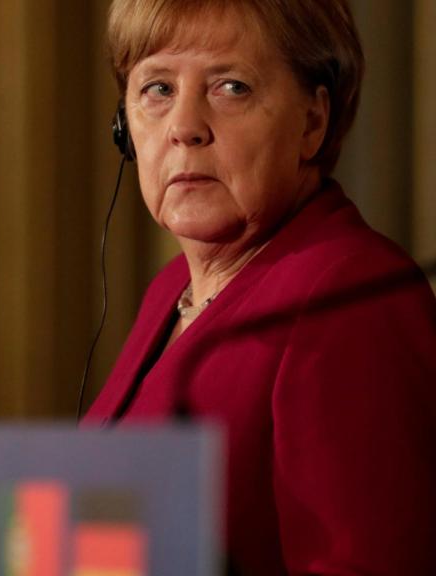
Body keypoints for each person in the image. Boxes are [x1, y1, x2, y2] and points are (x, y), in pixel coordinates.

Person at [81, 0, 436, 573]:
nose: (185, 126)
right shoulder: (170, 291)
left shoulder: (352, 297)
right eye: (157, 89)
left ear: (313, 122)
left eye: (232, 87)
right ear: (124, 126)